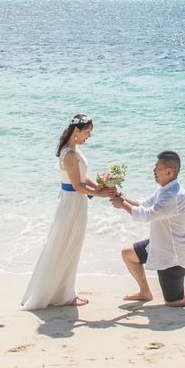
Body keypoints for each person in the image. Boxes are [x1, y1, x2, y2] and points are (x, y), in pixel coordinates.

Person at [21, 114, 117, 309]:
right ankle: (64, 295)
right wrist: (99, 194)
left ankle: (63, 291)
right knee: (69, 244)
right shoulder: (70, 154)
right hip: (73, 203)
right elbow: (76, 185)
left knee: (68, 245)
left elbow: (83, 177)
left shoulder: (72, 149)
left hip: (74, 202)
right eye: (87, 132)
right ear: (76, 131)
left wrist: (102, 186)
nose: (89, 136)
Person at [111, 150, 185, 307]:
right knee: (127, 254)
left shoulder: (174, 195)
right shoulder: (164, 189)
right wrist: (121, 198)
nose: (154, 170)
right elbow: (144, 203)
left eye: (157, 167)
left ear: (169, 171)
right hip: (158, 245)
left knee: (173, 301)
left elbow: (147, 215)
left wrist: (122, 205)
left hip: (173, 257)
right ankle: (145, 292)